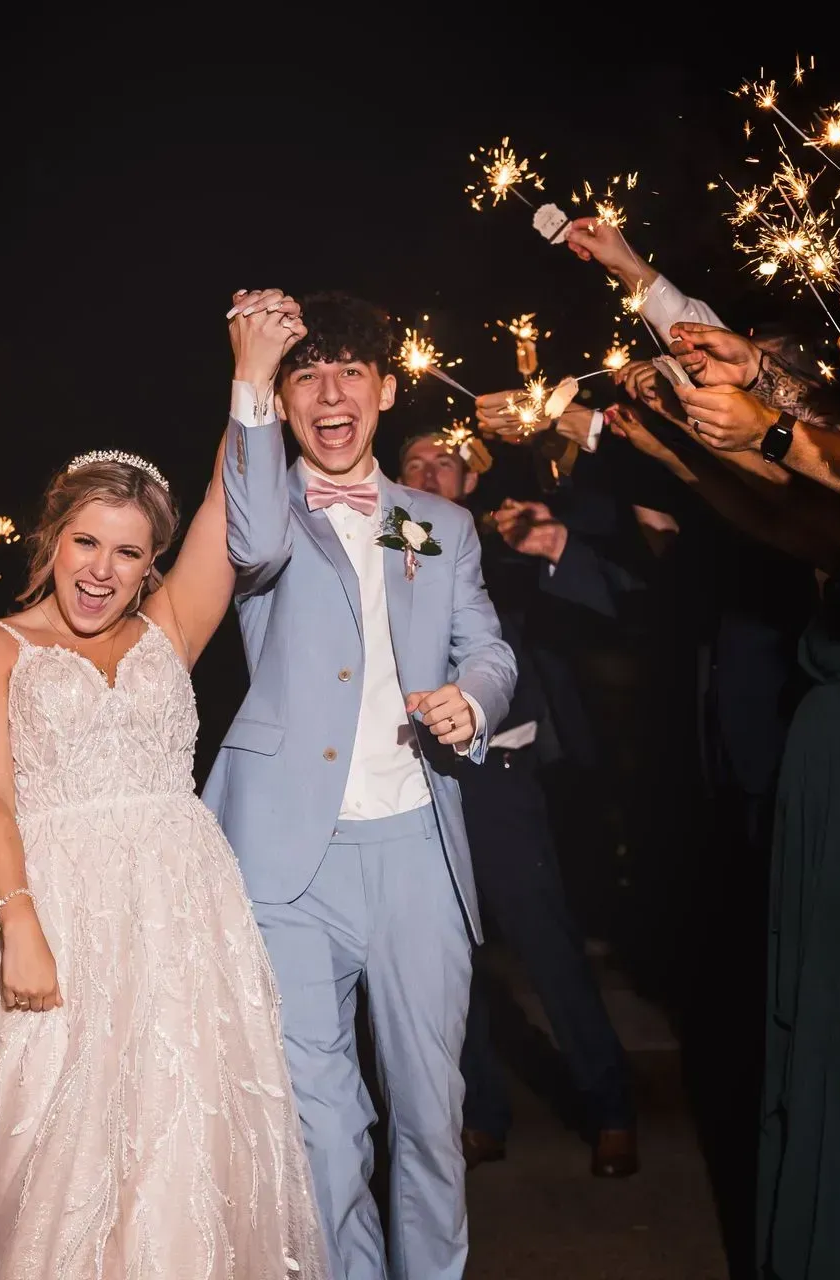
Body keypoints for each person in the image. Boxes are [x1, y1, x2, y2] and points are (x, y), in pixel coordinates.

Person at [0, 446, 326, 1278]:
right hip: (53, 911)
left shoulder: (170, 628)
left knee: (179, 1135)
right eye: (86, 543)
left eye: (129, 552)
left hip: (181, 921)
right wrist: (18, 923)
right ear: (52, 541)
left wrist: (251, 374)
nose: (102, 571)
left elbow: (222, 499)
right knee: (45, 1141)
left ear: (150, 567)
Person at [206, 290, 515, 1280]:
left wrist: (472, 695)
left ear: (387, 388)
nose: (330, 394)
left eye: (351, 374)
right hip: (287, 862)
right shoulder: (261, 503)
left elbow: (490, 648)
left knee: (430, 1117)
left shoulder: (436, 524)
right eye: (308, 374)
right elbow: (249, 546)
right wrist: (248, 378)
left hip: (419, 848)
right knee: (322, 1126)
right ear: (286, 395)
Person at [397, 431, 637, 1178]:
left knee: (546, 944)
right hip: (417, 778)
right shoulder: (386, 547)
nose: (430, 473)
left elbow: (602, 600)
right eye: (414, 464)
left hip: (501, 778)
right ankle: (479, 1115)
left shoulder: (505, 549)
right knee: (444, 958)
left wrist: (552, 547)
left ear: (471, 477)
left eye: (445, 461)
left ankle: (610, 1109)